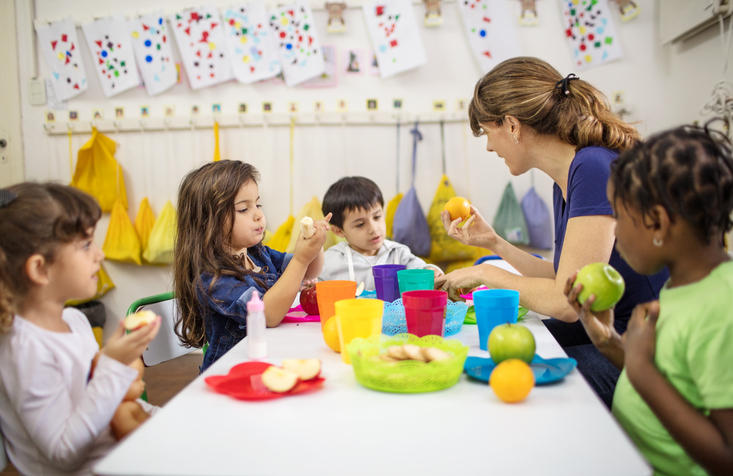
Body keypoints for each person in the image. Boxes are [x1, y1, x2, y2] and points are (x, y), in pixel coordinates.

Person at [434, 57, 669, 408]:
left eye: (488, 132)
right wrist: (494, 243)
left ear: (512, 125)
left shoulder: (591, 168)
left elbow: (565, 303)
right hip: (611, 328)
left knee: (502, 382)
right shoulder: (571, 174)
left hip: (643, 349)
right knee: (489, 358)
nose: (488, 147)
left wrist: (485, 272)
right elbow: (567, 277)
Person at [564, 122, 733, 475]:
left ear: (656, 222)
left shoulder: (722, 310)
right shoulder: (685, 285)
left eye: (618, 216)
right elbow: (678, 384)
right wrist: (611, 343)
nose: (614, 232)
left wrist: (640, 369)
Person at [0, 183, 161, 475]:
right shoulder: (24, 348)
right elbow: (63, 455)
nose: (99, 255)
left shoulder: (74, 320)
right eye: (86, 245)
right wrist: (111, 365)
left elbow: (102, 401)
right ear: (39, 269)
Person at [174, 160, 330, 372]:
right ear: (207, 222)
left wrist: (315, 243)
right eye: (243, 209)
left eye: (258, 205)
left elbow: (311, 271)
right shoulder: (213, 279)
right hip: (230, 371)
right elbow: (268, 315)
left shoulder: (257, 254)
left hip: (267, 358)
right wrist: (301, 259)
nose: (258, 214)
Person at [319, 176, 443, 289]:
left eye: (377, 217)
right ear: (339, 230)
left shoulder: (398, 253)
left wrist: (431, 271)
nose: (374, 229)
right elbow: (313, 290)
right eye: (360, 224)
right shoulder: (330, 260)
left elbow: (421, 269)